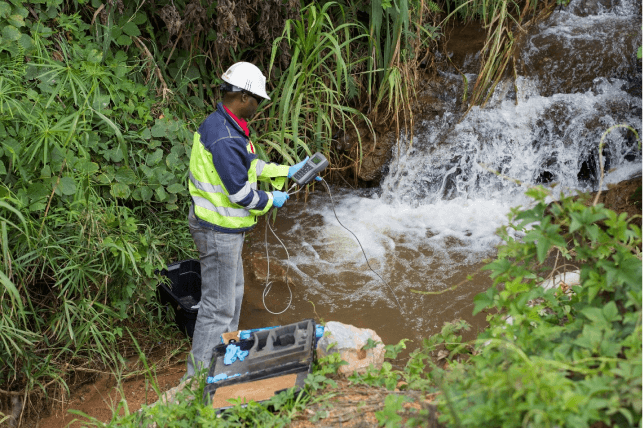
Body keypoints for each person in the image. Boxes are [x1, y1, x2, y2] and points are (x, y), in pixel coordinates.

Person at [185, 62, 309, 378]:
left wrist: (286, 172)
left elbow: (249, 165)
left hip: (223, 228)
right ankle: (197, 379)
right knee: (217, 309)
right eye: (257, 99)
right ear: (242, 96)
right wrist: (272, 200)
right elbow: (242, 195)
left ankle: (221, 359)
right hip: (218, 231)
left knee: (233, 295)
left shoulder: (225, 125)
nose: (259, 105)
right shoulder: (225, 138)